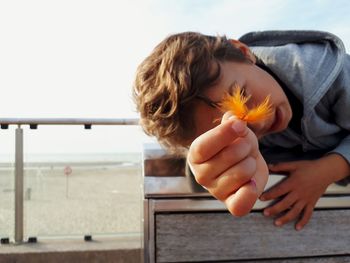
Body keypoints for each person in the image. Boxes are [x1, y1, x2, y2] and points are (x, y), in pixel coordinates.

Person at [133, 30, 350, 231]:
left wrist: (327, 170)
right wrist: (208, 167)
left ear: (243, 52)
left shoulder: (328, 72)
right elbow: (210, 161)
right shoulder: (248, 136)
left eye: (242, 95)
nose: (255, 122)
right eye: (232, 127)